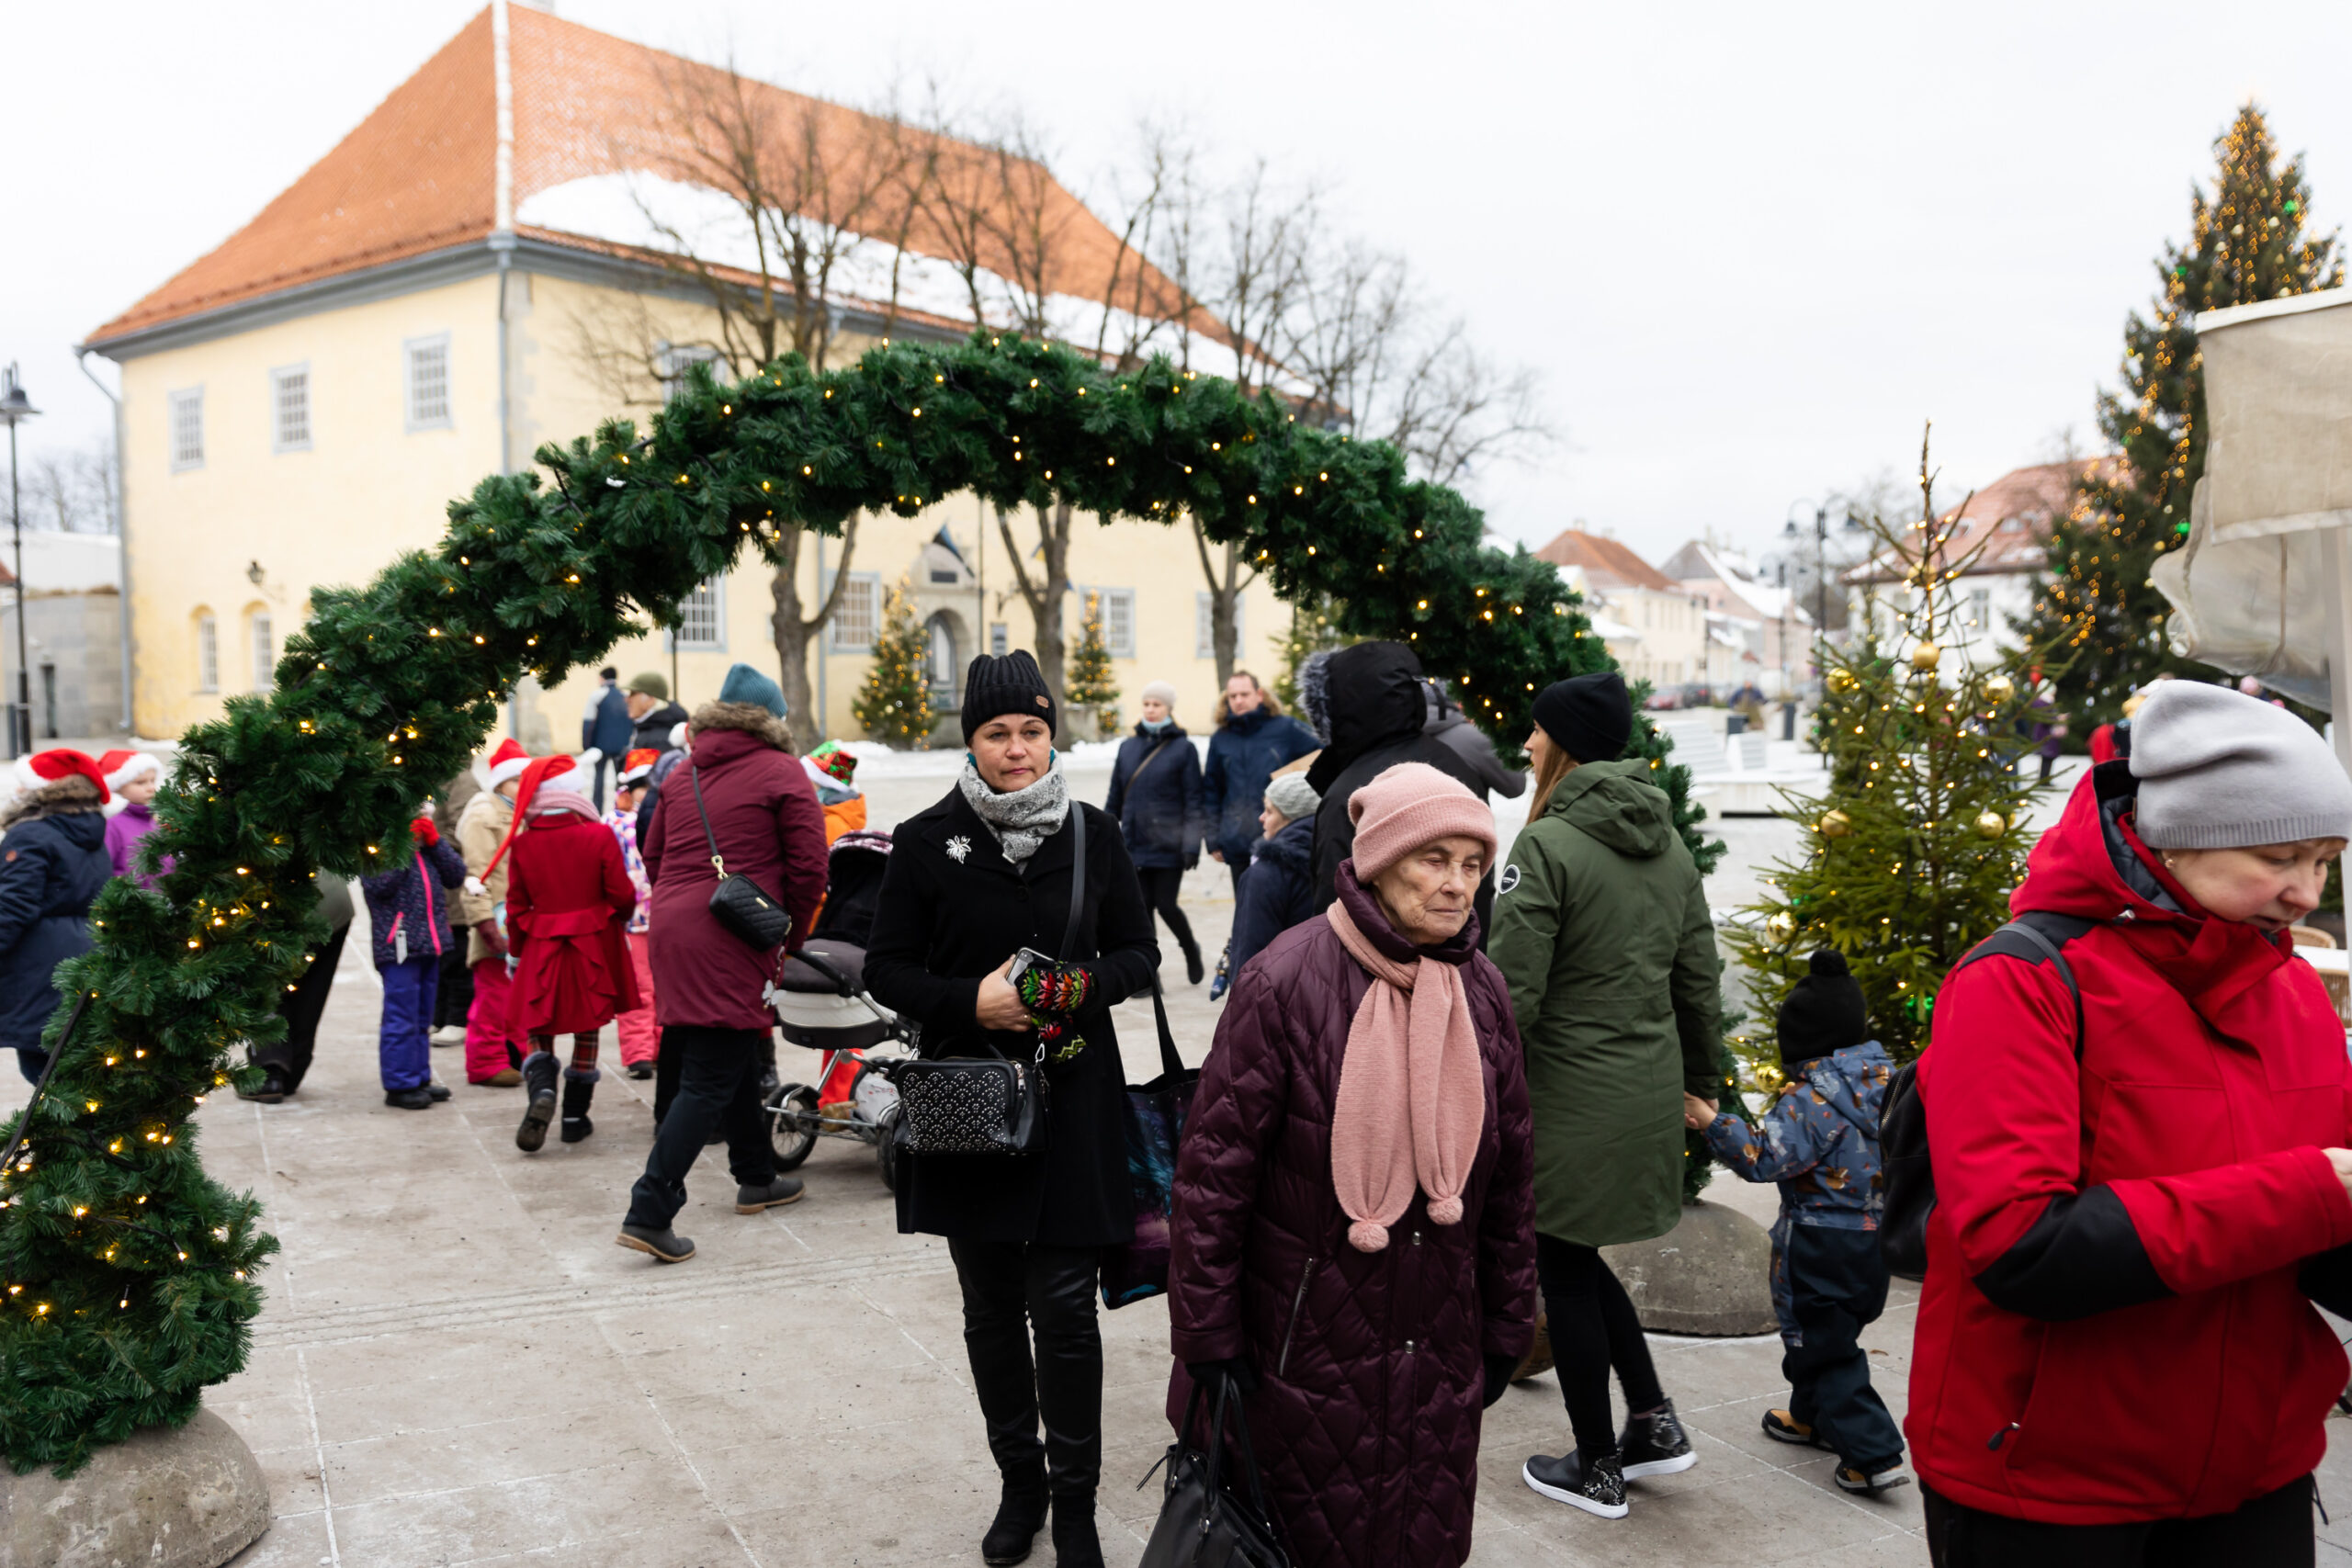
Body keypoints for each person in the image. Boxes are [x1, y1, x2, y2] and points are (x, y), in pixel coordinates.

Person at [1912, 682, 2352, 1565]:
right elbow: (2020, 1247)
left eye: (2327, 859)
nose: (2307, 893)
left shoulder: (2297, 993)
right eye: (2280, 857)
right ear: (2185, 839)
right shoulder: (2020, 981)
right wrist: (2316, 1189)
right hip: (2050, 1491)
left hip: (2256, 1476)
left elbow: (2321, 1244)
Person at [1167, 761, 1536, 1568]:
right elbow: (1211, 1180)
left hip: (1436, 1351)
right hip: (1301, 1355)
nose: (1457, 885)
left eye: (1472, 864)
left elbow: (1508, 1180)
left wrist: (1508, 1322)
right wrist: (1207, 1333)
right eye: (1433, 859)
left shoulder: (1483, 992)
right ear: (1379, 860)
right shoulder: (1283, 980)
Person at [865, 649, 1159, 1568]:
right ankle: (1019, 1485)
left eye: (1032, 731)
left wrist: (1079, 985)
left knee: (1066, 1309)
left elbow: (1139, 957)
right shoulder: (923, 842)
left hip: (1073, 1098)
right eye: (998, 733)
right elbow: (886, 971)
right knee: (990, 1306)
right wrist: (969, 1004)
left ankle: (1074, 1504)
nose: (1017, 749)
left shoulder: (1094, 835)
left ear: (1050, 735)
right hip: (968, 1101)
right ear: (972, 741)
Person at [1487, 670, 1724, 1519]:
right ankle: (1653, 1422)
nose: (1526, 743)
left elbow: (1512, 994)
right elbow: (1699, 980)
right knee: (1581, 1257)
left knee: (1564, 1264)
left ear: (1566, 741)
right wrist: (1704, 1084)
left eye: (1536, 730)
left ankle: (1594, 1465)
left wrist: (1477, 1088)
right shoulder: (1671, 845)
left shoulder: (1546, 846)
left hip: (1571, 1094)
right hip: (1645, 1089)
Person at [618, 662, 827, 1263]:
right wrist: (788, 934)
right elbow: (811, 867)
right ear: (771, 721)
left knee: (731, 1043)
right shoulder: (783, 770)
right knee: (707, 1076)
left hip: (675, 927)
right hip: (734, 932)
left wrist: (683, 907)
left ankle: (755, 1174)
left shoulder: (681, 773)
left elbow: (651, 849)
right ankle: (649, 1209)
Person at [1687, 949, 1906, 1495]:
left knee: (1826, 1347)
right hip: (1875, 1243)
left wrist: (1715, 1122)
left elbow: (1765, 1160)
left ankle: (1872, 1453)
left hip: (1821, 1244)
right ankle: (1811, 1417)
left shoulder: (1811, 1101)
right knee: (1826, 1335)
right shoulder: (1894, 1088)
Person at [486, 755, 642, 1149]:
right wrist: (611, 919)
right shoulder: (598, 835)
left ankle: (542, 1092)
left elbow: (517, 909)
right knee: (587, 1027)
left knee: (539, 1024)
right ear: (574, 794)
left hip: (542, 943)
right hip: (592, 944)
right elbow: (623, 895)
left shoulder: (524, 843)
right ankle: (574, 1117)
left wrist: (516, 955)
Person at [1305, 642, 1486, 912]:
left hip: (1375, 952)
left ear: (1339, 706)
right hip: (1463, 947)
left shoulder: (1350, 792)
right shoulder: (1457, 768)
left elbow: (1334, 906)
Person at [0, 751, 113, 1085]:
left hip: (41, 964)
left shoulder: (30, 836)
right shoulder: (92, 832)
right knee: (72, 1066)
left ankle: (74, 1137)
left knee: (44, 1071)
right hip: (84, 952)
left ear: (42, 791)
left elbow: (13, 905)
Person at [359, 806, 468, 1111]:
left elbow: (456, 874)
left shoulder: (426, 848)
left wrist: (435, 842)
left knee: (422, 1016)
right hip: (399, 945)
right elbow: (379, 884)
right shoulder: (377, 844)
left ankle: (418, 1076)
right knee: (401, 1016)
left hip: (430, 943)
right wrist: (401, 845)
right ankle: (399, 1084)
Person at [1104, 680, 1207, 984]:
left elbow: (1194, 800)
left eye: (1157, 705)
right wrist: (1106, 842)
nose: (1150, 709)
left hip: (1169, 844)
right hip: (1134, 844)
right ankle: (1150, 974)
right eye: (1147, 704)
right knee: (1141, 911)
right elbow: (1114, 800)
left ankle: (1190, 947)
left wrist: (1191, 844)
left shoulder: (1183, 749)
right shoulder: (1127, 748)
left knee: (1166, 905)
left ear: (1169, 709)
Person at [1202, 670, 1319, 897]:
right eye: (1232, 696)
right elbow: (1212, 790)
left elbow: (1322, 754)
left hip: (1282, 837)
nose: (1238, 700)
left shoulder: (1286, 728)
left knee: (1282, 906)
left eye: (1244, 694)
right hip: (1237, 838)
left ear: (1259, 695)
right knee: (1246, 904)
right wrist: (1213, 837)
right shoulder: (1221, 738)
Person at [457, 739, 531, 1087]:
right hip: (496, 922)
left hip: (520, 921)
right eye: (516, 780)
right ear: (500, 782)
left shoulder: (525, 812)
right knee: (493, 995)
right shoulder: (484, 814)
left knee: (519, 995)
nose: (523, 786)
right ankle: (486, 1061)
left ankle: (518, 1055)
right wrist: (483, 920)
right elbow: (476, 873)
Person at [242, 872, 353, 1103]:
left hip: (280, 900)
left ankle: (269, 1074)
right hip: (332, 897)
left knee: (265, 987)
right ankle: (292, 1070)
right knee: (311, 989)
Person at [1223, 770, 1320, 987]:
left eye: (1269, 811)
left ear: (1291, 818)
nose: (1262, 817)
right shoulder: (1338, 860)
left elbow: (1251, 951)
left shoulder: (1265, 873)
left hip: (1277, 997)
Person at [606, 748, 661, 1080]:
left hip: (665, 918)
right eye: (643, 787)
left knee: (664, 987)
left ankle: (660, 1046)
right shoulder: (614, 823)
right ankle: (639, 1053)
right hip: (631, 921)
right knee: (639, 988)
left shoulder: (665, 815)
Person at [431, 768, 481, 1046]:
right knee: (440, 958)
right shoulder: (430, 774)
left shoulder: (460, 779)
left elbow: (461, 829)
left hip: (453, 885)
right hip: (436, 885)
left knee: (457, 958)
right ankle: (439, 1018)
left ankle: (458, 1019)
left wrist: (427, 843)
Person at [1422, 680, 1526, 802]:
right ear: (1457, 703)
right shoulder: (1474, 738)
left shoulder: (1398, 736)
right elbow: (1516, 786)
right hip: (1465, 818)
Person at [99, 750, 165, 886]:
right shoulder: (112, 825)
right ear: (117, 787)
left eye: (153, 780)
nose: (151, 788)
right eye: (140, 782)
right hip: (131, 902)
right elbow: (104, 870)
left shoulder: (155, 820)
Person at [582, 666, 636, 810]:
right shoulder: (625, 696)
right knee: (621, 779)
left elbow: (588, 722)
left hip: (600, 745)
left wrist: (586, 746)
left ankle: (596, 810)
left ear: (602, 678)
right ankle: (621, 808)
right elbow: (632, 720)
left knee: (599, 778)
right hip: (621, 746)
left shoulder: (597, 695)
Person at [626, 671, 689, 754]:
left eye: (633, 694)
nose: (628, 699)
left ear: (650, 700)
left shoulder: (659, 741)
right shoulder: (647, 727)